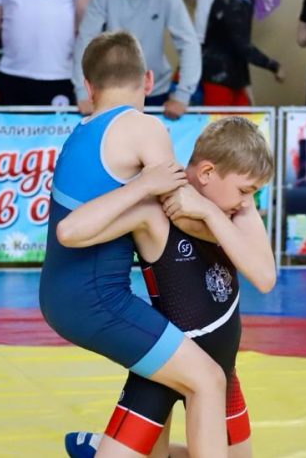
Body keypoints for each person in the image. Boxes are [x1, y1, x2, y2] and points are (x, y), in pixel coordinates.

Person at [41, 31, 230, 457]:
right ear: (148, 80)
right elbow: (180, 212)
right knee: (207, 380)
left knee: (162, 383)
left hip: (62, 294)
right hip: (96, 299)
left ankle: (102, 447)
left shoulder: (80, 132)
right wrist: (232, 225)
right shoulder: (143, 127)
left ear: (88, 87)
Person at [60, 117, 276, 458]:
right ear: (207, 173)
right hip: (164, 368)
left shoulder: (239, 213)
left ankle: (103, 446)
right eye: (245, 190)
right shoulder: (156, 210)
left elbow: (265, 278)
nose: (249, 200)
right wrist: (142, 186)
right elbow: (70, 232)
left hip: (222, 372)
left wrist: (209, 212)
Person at [73, 0, 199, 119]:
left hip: (154, 91)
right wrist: (82, 91)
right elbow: (86, 39)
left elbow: (188, 43)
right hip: (110, 91)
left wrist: (182, 95)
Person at [200, 0, 283, 106]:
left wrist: (246, 84)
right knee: (220, 122)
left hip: (235, 78)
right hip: (217, 79)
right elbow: (243, 45)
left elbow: (240, 46)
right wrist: (273, 66)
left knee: (244, 119)